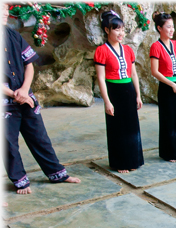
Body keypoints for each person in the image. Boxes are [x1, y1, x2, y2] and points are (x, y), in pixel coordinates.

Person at [2, 3, 80, 194]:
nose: (5, 13)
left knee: (39, 137)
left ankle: (57, 174)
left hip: (25, 95)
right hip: (6, 102)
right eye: (1, 9)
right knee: (8, 144)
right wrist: (14, 94)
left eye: (5, 9)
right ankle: (20, 181)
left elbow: (29, 64)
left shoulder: (12, 35)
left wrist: (24, 89)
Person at [94, 10, 144, 173]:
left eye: (122, 29)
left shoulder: (128, 50)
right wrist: (107, 101)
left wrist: (138, 95)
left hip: (128, 89)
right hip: (114, 91)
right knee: (117, 128)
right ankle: (120, 163)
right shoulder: (101, 50)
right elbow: (101, 78)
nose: (121, 33)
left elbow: (134, 74)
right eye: (116, 29)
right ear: (107, 30)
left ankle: (133, 160)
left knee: (131, 126)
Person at [150, 11, 176, 162]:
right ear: (159, 28)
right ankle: (169, 153)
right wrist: (172, 84)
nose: (171, 30)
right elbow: (155, 71)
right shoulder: (156, 46)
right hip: (167, 88)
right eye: (168, 27)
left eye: (172, 26)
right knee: (168, 121)